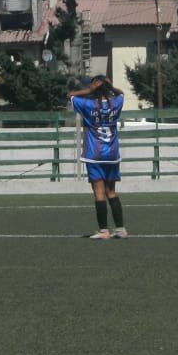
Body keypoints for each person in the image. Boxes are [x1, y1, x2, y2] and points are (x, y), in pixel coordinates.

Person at [67, 75, 127, 239]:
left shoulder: (88, 104)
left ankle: (103, 230)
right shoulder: (116, 102)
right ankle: (120, 229)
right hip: (112, 154)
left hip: (94, 154)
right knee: (111, 192)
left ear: (95, 88)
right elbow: (121, 94)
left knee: (99, 193)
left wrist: (89, 90)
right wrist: (111, 87)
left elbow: (70, 95)